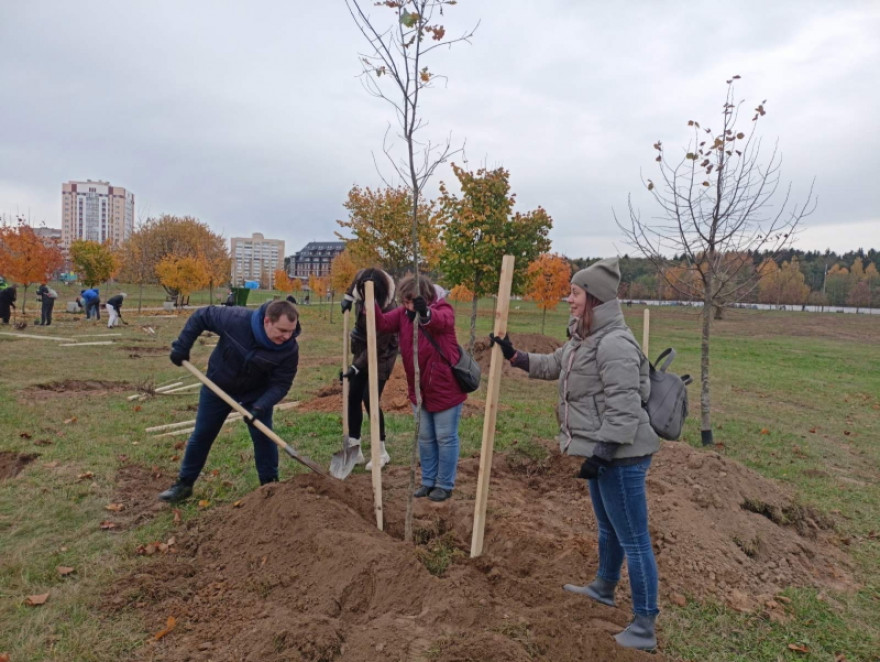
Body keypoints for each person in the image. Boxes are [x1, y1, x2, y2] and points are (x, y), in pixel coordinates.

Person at [490, 257, 660, 651]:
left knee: (634, 539)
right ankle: (603, 585)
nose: (569, 299)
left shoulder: (614, 342)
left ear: (595, 299)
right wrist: (515, 357)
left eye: (575, 293)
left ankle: (644, 626)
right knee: (609, 528)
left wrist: (602, 454)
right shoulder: (583, 338)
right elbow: (554, 365)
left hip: (621, 456)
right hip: (603, 453)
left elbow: (625, 405)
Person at [158, 299, 301, 503]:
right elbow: (201, 315)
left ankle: (270, 486)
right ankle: (184, 484)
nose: (287, 336)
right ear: (267, 321)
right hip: (219, 386)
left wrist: (261, 406)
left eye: (291, 331)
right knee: (203, 435)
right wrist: (182, 346)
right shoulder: (235, 320)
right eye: (282, 330)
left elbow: (281, 384)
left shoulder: (289, 349)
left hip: (256, 394)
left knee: (264, 437)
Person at [373, 274, 466, 502]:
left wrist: (426, 313)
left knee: (445, 437)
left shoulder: (443, 309)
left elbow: (442, 321)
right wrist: (370, 302)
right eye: (403, 302)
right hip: (419, 390)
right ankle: (428, 481)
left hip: (445, 389)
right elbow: (383, 323)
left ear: (423, 297)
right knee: (425, 438)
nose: (405, 306)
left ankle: (444, 484)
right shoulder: (404, 314)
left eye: (409, 301)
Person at [339, 268, 399, 469]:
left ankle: (381, 452)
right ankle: (354, 449)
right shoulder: (363, 279)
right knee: (353, 395)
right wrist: (348, 297)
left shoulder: (389, 311)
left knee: (370, 398)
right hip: (362, 345)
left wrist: (355, 368)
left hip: (383, 353)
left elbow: (377, 347)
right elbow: (356, 279)